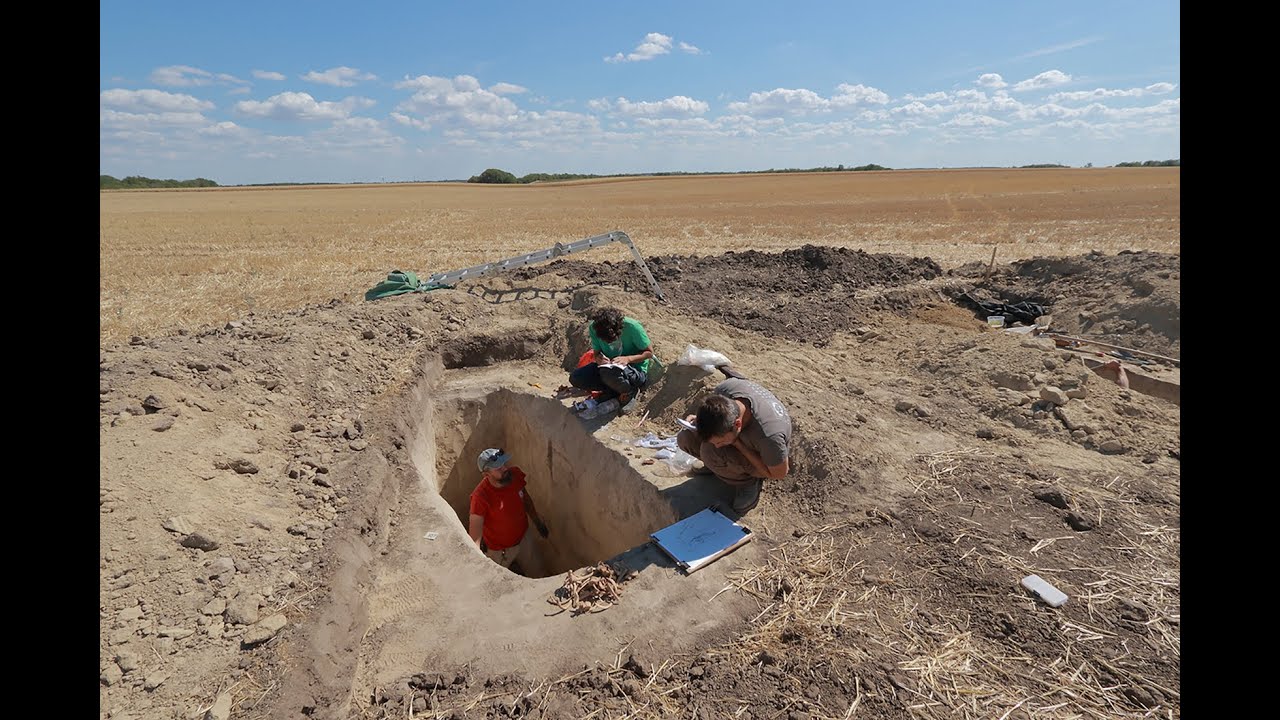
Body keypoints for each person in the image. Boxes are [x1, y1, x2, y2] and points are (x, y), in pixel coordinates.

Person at [676, 378, 792, 513]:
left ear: (737, 424)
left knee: (709, 452)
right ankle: (717, 466)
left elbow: (779, 473)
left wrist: (738, 444)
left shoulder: (769, 436)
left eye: (720, 442)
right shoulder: (725, 390)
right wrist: (699, 420)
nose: (717, 446)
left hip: (762, 459)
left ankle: (748, 482)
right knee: (685, 438)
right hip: (742, 436)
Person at [468, 448, 549, 575]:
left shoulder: (515, 475)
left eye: (503, 464)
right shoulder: (480, 497)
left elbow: (526, 499)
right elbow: (475, 538)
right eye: (498, 468)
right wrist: (478, 560)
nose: (505, 469)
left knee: (539, 575)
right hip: (499, 551)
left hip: (524, 540)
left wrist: (537, 522)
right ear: (486, 475)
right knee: (496, 584)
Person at [569, 306, 654, 416]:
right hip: (608, 368)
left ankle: (629, 392)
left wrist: (628, 359)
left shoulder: (633, 327)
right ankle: (612, 391)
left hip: (634, 370)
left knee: (609, 374)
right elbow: (596, 352)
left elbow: (649, 353)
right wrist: (598, 358)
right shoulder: (594, 328)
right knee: (576, 378)